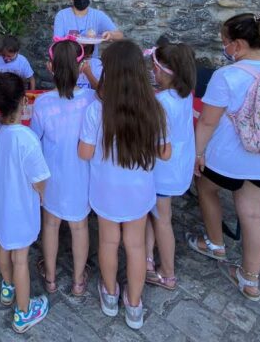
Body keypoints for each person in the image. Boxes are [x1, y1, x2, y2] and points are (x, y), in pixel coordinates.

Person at [188, 13, 260, 302]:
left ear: (237, 45)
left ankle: (215, 243)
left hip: (227, 157)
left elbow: (208, 122)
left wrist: (197, 152)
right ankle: (250, 279)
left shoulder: (226, 76)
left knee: (206, 189)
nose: (224, 47)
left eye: (225, 42)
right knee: (252, 214)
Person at [79, 40, 171, 330]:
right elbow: (164, 152)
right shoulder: (155, 109)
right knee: (134, 247)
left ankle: (109, 295)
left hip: (106, 190)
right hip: (139, 191)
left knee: (108, 242)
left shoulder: (97, 110)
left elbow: (85, 152)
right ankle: (133, 305)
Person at [0, 72, 51, 334]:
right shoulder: (26, 138)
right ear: (24, 100)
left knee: (3, 246)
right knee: (21, 258)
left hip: (1, 206)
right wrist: (42, 194)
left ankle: (8, 287)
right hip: (20, 208)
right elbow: (40, 178)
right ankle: (23, 313)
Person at [30, 38, 95, 297]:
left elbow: (35, 141)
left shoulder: (43, 103)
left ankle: (51, 278)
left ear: (49, 66)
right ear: (81, 67)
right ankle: (79, 281)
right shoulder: (91, 98)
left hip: (52, 177)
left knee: (51, 225)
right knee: (80, 227)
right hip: (81, 175)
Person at [144, 43, 197, 291]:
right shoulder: (184, 93)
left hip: (163, 172)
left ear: (163, 71)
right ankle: (147, 259)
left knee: (162, 219)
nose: (153, 74)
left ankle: (168, 272)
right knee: (153, 214)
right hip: (179, 167)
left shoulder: (162, 103)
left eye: (154, 69)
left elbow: (159, 149)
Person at [53, 0, 123, 56]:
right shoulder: (62, 15)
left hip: (90, 60)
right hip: (68, 59)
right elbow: (58, 42)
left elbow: (120, 35)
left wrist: (111, 34)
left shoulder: (98, 15)